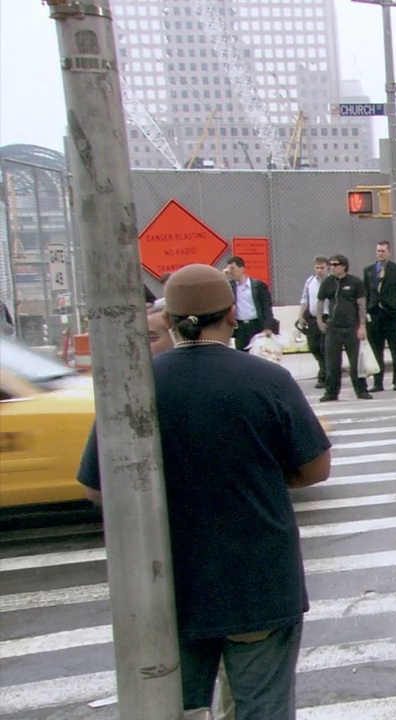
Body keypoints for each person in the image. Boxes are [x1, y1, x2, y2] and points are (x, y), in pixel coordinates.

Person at [78, 263, 331, 718]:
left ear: (169, 321)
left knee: (184, 708)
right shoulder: (266, 379)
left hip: (170, 585)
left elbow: (98, 489)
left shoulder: (136, 386)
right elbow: (315, 467)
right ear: (232, 315)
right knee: (262, 707)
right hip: (259, 581)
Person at [317, 254, 372, 402]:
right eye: (331, 265)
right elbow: (320, 302)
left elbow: (361, 304)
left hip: (351, 327)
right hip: (333, 328)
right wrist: (319, 321)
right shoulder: (328, 282)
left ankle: (361, 390)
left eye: (335, 265)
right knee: (332, 363)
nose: (332, 267)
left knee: (356, 363)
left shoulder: (355, 282)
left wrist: (362, 326)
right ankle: (331, 392)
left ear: (344, 266)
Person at [363, 240, 396, 392]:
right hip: (375, 315)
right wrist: (367, 312)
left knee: (395, 351)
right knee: (377, 350)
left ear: (388, 252)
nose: (380, 253)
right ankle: (378, 382)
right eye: (378, 251)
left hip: (392, 315)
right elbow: (366, 293)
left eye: (383, 251)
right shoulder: (369, 270)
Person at [225, 256, 275, 351]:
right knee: (242, 354)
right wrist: (224, 276)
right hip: (240, 327)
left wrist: (268, 326)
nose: (231, 271)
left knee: (259, 353)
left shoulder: (258, 286)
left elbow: (267, 307)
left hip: (256, 324)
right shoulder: (230, 287)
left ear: (242, 269)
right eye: (229, 268)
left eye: (233, 268)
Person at [298, 256, 329, 388]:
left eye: (322, 268)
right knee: (313, 347)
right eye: (317, 268)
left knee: (325, 347)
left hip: (327, 318)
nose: (319, 270)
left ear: (327, 268)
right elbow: (304, 299)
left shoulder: (332, 281)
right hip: (312, 318)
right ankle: (324, 368)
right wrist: (300, 316)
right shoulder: (310, 281)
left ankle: (324, 375)